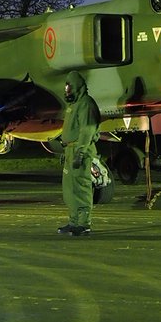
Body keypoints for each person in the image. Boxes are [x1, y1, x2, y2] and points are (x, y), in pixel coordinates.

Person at [58, 70, 99, 236]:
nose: (67, 89)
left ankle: (84, 223)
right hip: (70, 150)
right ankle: (74, 221)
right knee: (70, 189)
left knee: (81, 187)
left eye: (69, 86)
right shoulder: (73, 105)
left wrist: (80, 152)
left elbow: (87, 130)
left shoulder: (86, 104)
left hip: (79, 150)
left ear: (77, 87)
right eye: (66, 86)